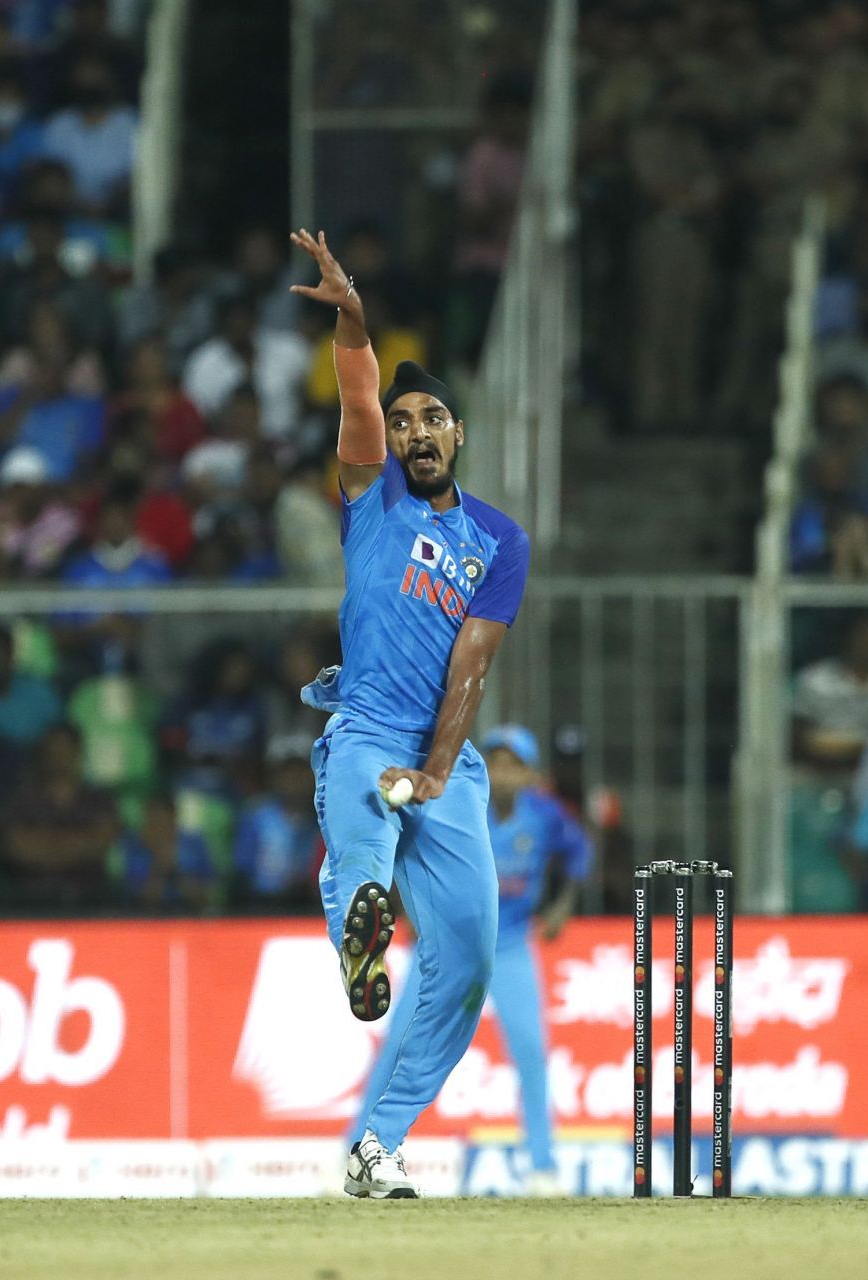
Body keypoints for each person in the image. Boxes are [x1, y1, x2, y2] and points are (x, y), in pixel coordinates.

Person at [289, 229, 530, 1200]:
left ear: (459, 434)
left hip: (450, 761)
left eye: (435, 417)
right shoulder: (370, 497)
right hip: (364, 730)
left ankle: (375, 1145)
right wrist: (354, 319)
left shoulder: (498, 539)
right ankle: (361, 936)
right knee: (361, 857)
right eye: (403, 420)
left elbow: (471, 666)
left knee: (469, 956)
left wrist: (438, 771)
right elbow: (354, 395)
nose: (417, 430)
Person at [348, 725, 588, 1196]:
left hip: (512, 944)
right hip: (444, 946)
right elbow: (400, 839)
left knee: (532, 1055)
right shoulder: (457, 800)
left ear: (531, 775)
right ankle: (354, 1152)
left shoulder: (544, 815)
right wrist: (407, 904)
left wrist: (563, 905)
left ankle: (542, 1167)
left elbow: (580, 851)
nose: (501, 773)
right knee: (396, 1048)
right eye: (494, 762)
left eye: (512, 764)